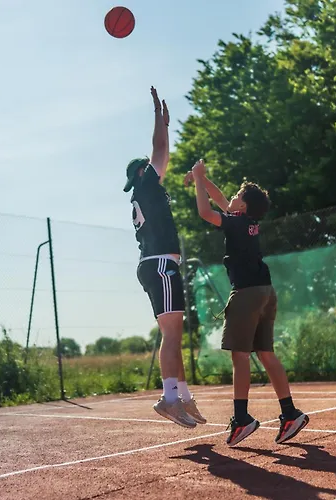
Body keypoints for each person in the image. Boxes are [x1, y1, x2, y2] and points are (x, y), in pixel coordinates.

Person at [188, 159, 309, 446]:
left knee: (239, 356)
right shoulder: (248, 222)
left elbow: (205, 211)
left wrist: (198, 180)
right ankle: (290, 413)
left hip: (246, 293)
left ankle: (241, 418)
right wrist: (200, 178)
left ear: (241, 206)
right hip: (266, 291)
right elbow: (220, 200)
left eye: (237, 195)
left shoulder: (235, 222)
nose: (231, 197)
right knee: (266, 353)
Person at [122, 87, 206, 429]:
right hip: (159, 263)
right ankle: (169, 399)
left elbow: (160, 154)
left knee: (173, 334)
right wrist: (160, 119)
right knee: (171, 336)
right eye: (150, 166)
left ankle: (183, 395)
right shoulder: (147, 187)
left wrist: (165, 124)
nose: (158, 166)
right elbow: (160, 149)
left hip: (153, 264)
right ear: (143, 173)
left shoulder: (143, 193)